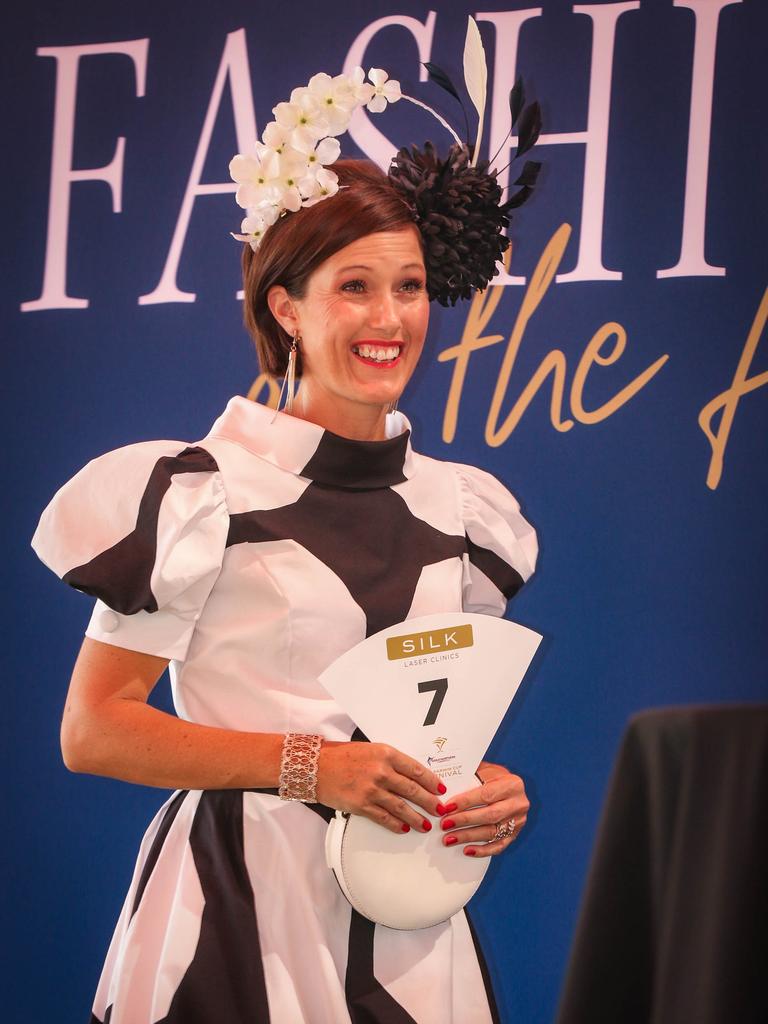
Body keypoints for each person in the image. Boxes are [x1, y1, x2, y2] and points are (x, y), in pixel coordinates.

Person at [31, 59, 541, 1024]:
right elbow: (93, 730)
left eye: (410, 286)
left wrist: (484, 794)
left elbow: (432, 740)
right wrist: (312, 766)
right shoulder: (201, 494)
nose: (389, 319)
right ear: (285, 308)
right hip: (239, 918)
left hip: (410, 929)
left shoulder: (464, 515)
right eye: (354, 287)